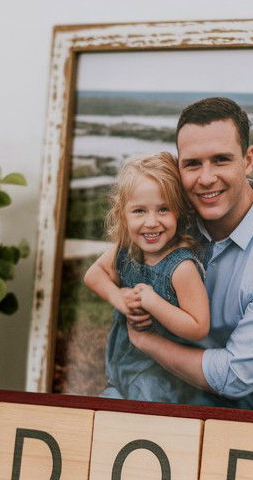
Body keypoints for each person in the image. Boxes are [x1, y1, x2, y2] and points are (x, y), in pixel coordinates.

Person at [127, 96, 253, 411]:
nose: (206, 178)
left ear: (249, 160)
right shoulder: (169, 216)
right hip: (156, 367)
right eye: (192, 163)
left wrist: (145, 342)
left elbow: (235, 377)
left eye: (221, 160)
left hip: (232, 395)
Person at [83, 151, 209, 402]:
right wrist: (118, 297)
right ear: (123, 214)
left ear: (179, 213)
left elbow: (198, 326)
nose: (151, 222)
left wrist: (154, 302)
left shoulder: (181, 267)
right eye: (139, 211)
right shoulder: (127, 250)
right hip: (122, 362)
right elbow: (93, 274)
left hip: (161, 378)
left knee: (142, 422)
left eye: (163, 209)